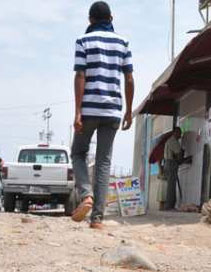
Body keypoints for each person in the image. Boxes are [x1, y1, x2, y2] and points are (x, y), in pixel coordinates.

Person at [71, 1, 135, 229]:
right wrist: (128, 110)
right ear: (111, 18)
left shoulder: (83, 41)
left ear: (90, 20)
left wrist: (78, 112)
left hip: (89, 108)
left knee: (78, 153)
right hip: (113, 111)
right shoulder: (123, 42)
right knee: (103, 161)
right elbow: (128, 78)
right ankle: (97, 218)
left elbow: (80, 75)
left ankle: (86, 194)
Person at [163, 127, 183, 211]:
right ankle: (169, 205)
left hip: (167, 163)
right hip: (171, 163)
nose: (180, 135)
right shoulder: (173, 141)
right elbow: (178, 153)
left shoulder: (169, 141)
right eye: (179, 133)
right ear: (175, 133)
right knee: (171, 186)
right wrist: (181, 159)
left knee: (171, 185)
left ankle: (169, 205)